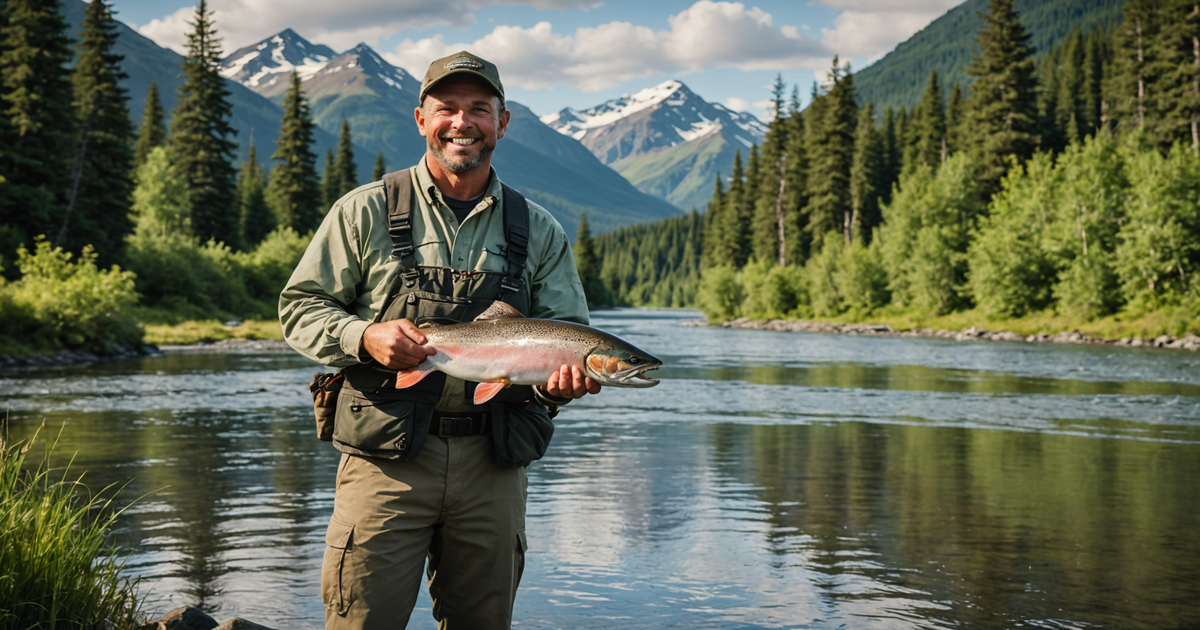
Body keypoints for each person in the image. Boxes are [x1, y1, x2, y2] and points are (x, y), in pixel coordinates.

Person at [279, 50, 599, 629]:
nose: (462, 121)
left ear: (502, 123)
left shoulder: (538, 229)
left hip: (493, 464)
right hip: (384, 464)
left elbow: (568, 334)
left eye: (479, 108)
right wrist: (363, 336)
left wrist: (562, 387)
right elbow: (299, 308)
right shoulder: (364, 211)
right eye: (446, 107)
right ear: (421, 118)